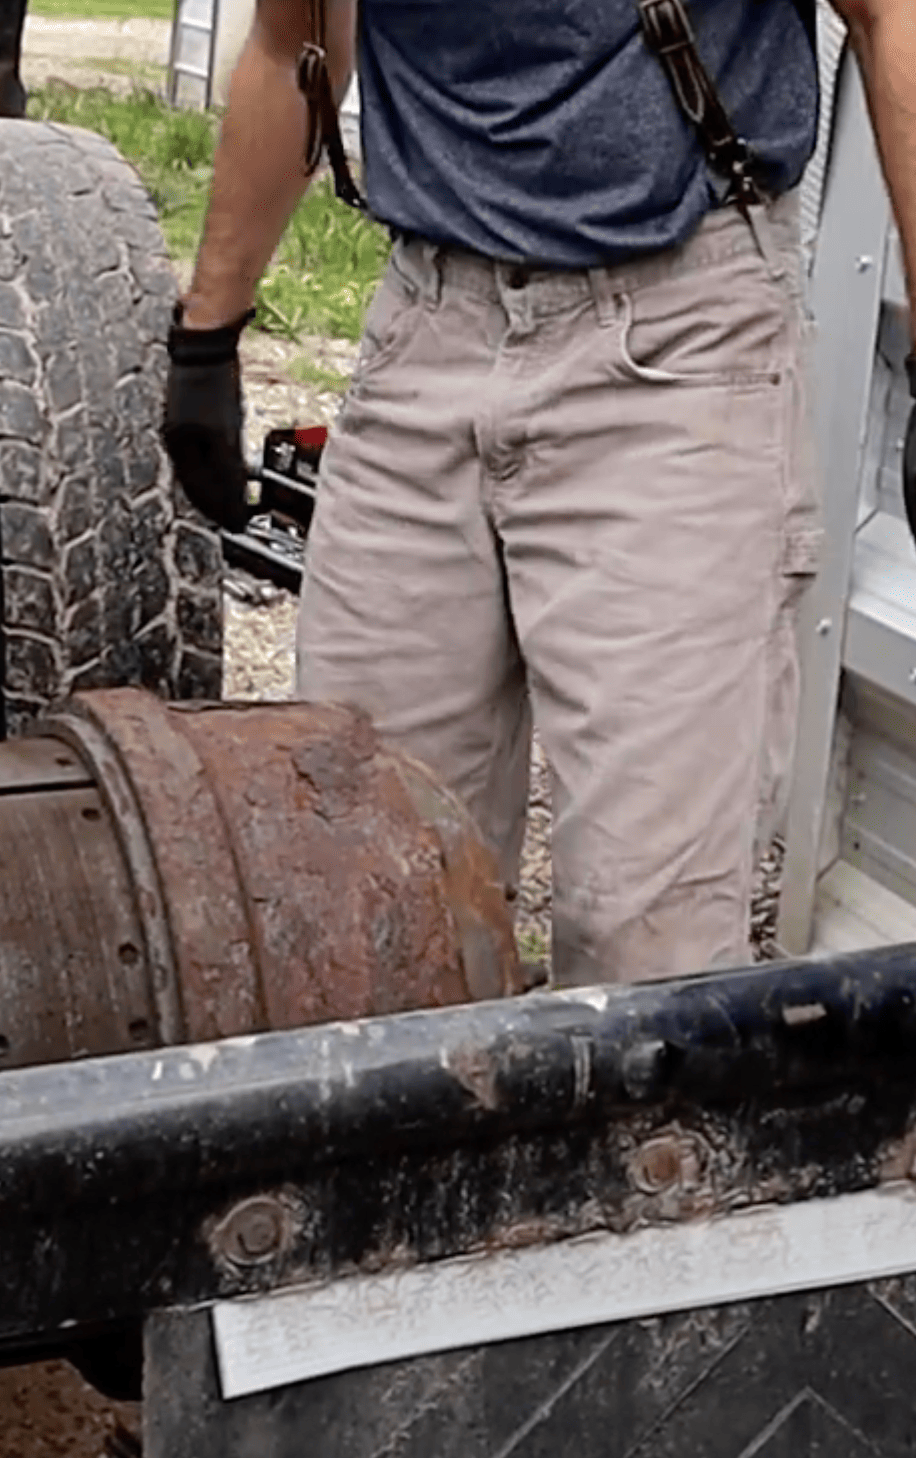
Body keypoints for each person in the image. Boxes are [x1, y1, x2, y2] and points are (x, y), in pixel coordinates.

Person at [163, 0, 916, 985]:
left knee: (650, 944)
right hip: (425, 329)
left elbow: (886, 18)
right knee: (368, 889)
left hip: (675, 338)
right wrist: (207, 335)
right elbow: (286, 43)